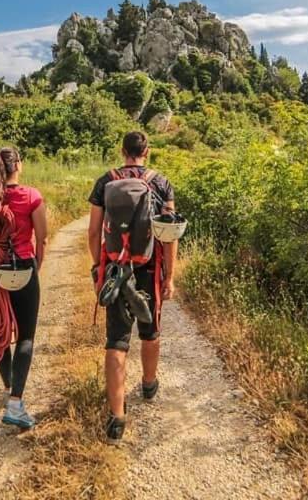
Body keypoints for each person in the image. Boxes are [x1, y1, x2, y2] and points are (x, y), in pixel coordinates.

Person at [88, 130, 178, 441]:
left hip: (116, 266)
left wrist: (100, 266)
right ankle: (149, 384)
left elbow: (93, 231)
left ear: (122, 150)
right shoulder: (161, 182)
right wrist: (170, 276)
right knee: (149, 330)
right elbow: (169, 234)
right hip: (149, 268)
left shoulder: (105, 181)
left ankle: (116, 418)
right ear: (147, 151)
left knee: (116, 340)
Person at [0, 146, 48, 429]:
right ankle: (15, 402)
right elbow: (42, 239)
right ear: (19, 165)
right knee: (25, 337)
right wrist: (35, 267)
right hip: (23, 266)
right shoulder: (32, 196)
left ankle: (8, 387)